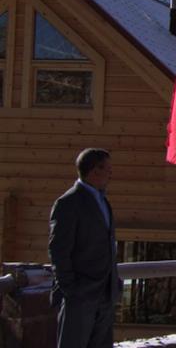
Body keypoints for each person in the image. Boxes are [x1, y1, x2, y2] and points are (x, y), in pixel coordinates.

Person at [48, 148, 121, 348]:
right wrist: (72, 289)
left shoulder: (103, 202)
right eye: (107, 168)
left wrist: (114, 284)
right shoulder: (68, 203)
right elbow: (59, 250)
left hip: (105, 295)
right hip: (80, 296)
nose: (111, 173)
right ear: (94, 171)